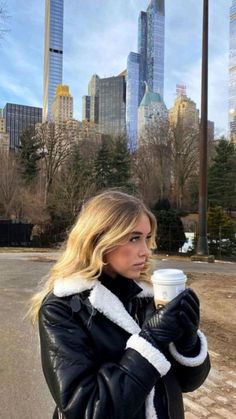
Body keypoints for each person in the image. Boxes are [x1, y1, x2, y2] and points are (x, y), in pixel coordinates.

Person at [30, 190, 210, 419]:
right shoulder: (62, 309)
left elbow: (187, 383)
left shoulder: (150, 297)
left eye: (146, 238)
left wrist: (188, 343)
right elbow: (87, 409)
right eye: (134, 238)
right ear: (99, 239)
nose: (145, 251)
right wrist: (151, 342)